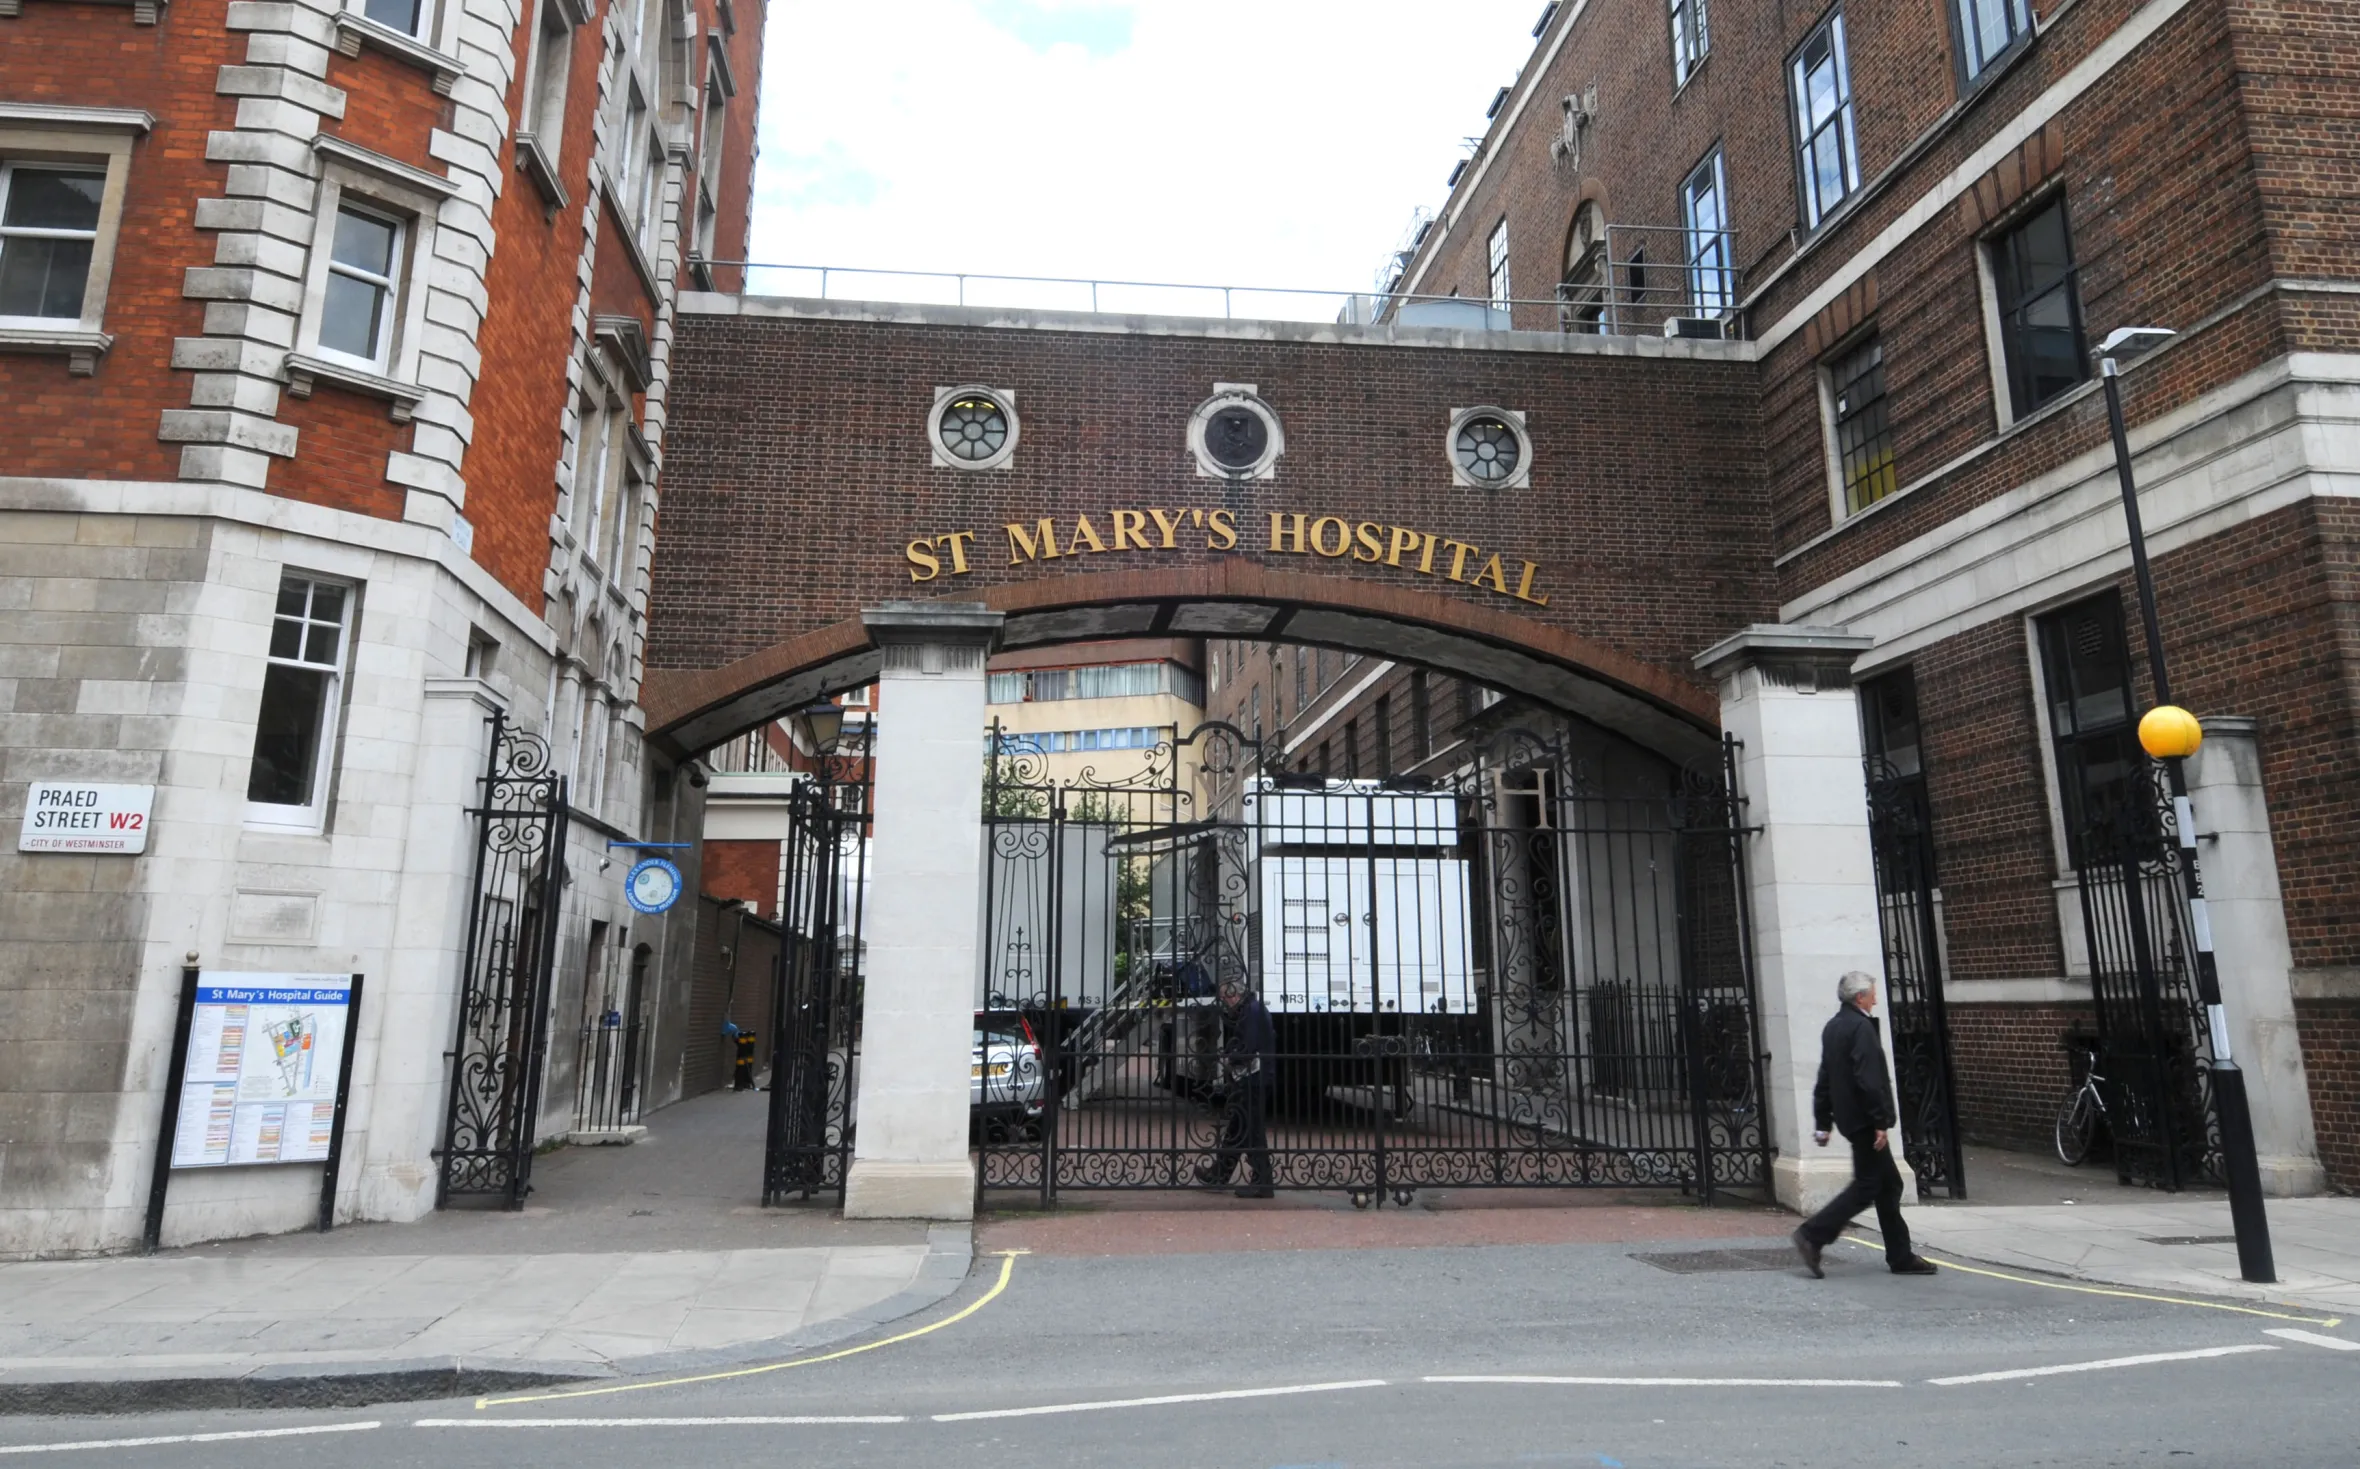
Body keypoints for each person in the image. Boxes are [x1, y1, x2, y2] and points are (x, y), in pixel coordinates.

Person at [1792, 970, 1939, 1278]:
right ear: (1860, 997)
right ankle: (1813, 1234)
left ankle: (1900, 1256)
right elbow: (1869, 1079)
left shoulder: (1834, 1027)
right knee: (1868, 1184)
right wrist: (1880, 1121)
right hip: (1864, 1119)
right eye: (1872, 993)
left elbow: (1825, 1077)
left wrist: (1823, 1121)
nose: (1876, 998)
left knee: (1890, 1185)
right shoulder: (1860, 1028)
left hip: (1850, 1118)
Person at [1200, 977, 1276, 1197]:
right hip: (1253, 1077)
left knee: (1252, 1131)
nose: (1226, 1001)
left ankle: (1263, 1182)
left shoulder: (1252, 1011)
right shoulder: (1251, 1009)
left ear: (1236, 993)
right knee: (1238, 1128)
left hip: (1255, 1078)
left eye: (1226, 996)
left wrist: (1229, 1059)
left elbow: (1248, 1047)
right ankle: (1219, 1175)